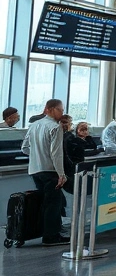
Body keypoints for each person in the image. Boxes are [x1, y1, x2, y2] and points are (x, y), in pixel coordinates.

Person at [20, 99, 68, 246]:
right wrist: (61, 174)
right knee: (53, 203)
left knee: (44, 202)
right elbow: (56, 153)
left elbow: (24, 148)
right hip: (50, 170)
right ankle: (51, 236)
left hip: (34, 170)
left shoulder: (34, 125)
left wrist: (36, 156)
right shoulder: (55, 127)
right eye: (60, 109)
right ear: (50, 109)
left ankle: (48, 232)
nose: (62, 113)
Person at [63, 121, 98, 191]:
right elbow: (82, 151)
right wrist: (97, 151)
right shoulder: (74, 140)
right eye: (82, 130)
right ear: (77, 130)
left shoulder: (89, 138)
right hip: (78, 164)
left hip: (90, 162)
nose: (84, 132)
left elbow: (94, 147)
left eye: (86, 130)